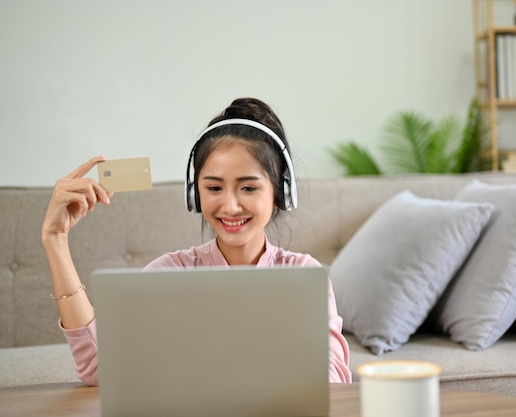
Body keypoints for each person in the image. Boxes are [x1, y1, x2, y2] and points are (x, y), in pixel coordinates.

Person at [41, 97, 352, 385]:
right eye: (214, 188)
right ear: (195, 195)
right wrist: (55, 240)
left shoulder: (304, 275)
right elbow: (101, 368)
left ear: (279, 196)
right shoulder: (168, 274)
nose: (230, 206)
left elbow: (333, 377)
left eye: (248, 188)